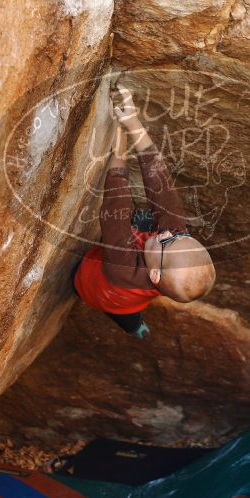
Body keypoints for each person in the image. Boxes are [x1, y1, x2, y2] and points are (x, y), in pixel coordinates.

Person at [73, 85, 216, 339]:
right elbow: (161, 186)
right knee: (130, 304)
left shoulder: (122, 267)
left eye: (171, 239)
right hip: (134, 294)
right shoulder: (172, 244)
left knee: (117, 308)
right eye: (184, 235)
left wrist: (119, 156)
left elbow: (114, 212)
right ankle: (135, 325)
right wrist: (133, 123)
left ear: (155, 274)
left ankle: (132, 324)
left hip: (91, 284)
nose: (171, 232)